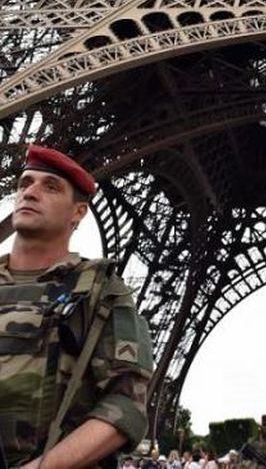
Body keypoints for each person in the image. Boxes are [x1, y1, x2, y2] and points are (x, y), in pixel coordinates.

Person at [0, 144, 154, 467]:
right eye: (25, 183)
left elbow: (127, 405)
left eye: (50, 186)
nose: (31, 192)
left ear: (78, 212)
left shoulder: (101, 290)